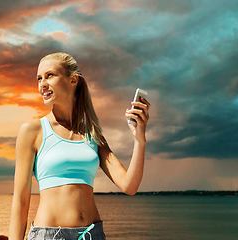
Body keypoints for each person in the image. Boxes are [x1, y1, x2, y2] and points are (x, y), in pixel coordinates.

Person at [8, 52, 150, 240]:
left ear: (73, 79)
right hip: (50, 236)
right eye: (39, 78)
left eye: (49, 75)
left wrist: (139, 140)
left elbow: (129, 186)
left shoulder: (92, 133)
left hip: (92, 235)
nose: (42, 84)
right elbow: (20, 200)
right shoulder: (32, 131)